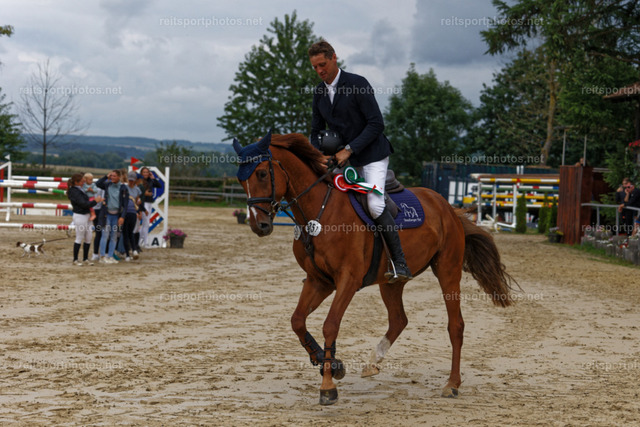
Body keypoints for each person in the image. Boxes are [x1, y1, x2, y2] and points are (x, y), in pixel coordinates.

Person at [308, 40, 411, 284]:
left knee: (374, 205)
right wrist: (318, 155)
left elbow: (376, 124)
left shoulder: (358, 84)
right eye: (315, 67)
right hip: (343, 160)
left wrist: (349, 150)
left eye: (322, 64)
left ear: (334, 58)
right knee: (328, 201)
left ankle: (400, 263)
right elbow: (315, 131)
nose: (320, 71)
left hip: (372, 156)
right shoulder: (319, 92)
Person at [67, 173, 103, 266]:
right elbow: (84, 204)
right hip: (80, 215)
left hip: (87, 215)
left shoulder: (80, 189)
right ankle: (75, 259)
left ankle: (85, 258)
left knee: (88, 237)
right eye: (82, 182)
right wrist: (95, 201)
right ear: (76, 182)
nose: (84, 183)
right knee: (79, 237)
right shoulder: (74, 191)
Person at [96, 170, 129, 264]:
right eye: (111, 176)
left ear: (119, 177)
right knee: (105, 235)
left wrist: (122, 217)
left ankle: (110, 256)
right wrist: (106, 176)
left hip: (116, 216)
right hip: (106, 215)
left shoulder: (123, 188)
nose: (112, 177)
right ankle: (102, 256)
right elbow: (97, 184)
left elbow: (125, 204)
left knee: (114, 237)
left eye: (114, 176)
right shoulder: (107, 185)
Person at [123, 171, 143, 261]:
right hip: (124, 212)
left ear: (135, 180)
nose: (131, 182)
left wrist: (139, 211)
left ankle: (134, 250)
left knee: (131, 232)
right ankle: (127, 254)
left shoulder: (137, 189)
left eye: (132, 180)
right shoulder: (124, 187)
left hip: (133, 213)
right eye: (129, 180)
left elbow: (138, 202)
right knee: (125, 233)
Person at [83, 173, 104, 260]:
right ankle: (96, 253)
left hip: (96, 209)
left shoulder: (94, 187)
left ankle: (97, 253)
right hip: (96, 210)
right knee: (99, 232)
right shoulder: (99, 187)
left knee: (99, 232)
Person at [139, 167, 161, 248]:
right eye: (144, 172)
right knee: (146, 223)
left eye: (147, 172)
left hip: (149, 203)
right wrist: (145, 194)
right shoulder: (140, 181)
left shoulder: (150, 180)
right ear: (141, 173)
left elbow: (159, 185)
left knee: (146, 224)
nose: (145, 173)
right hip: (143, 203)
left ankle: (139, 242)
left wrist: (153, 177)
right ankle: (145, 243)